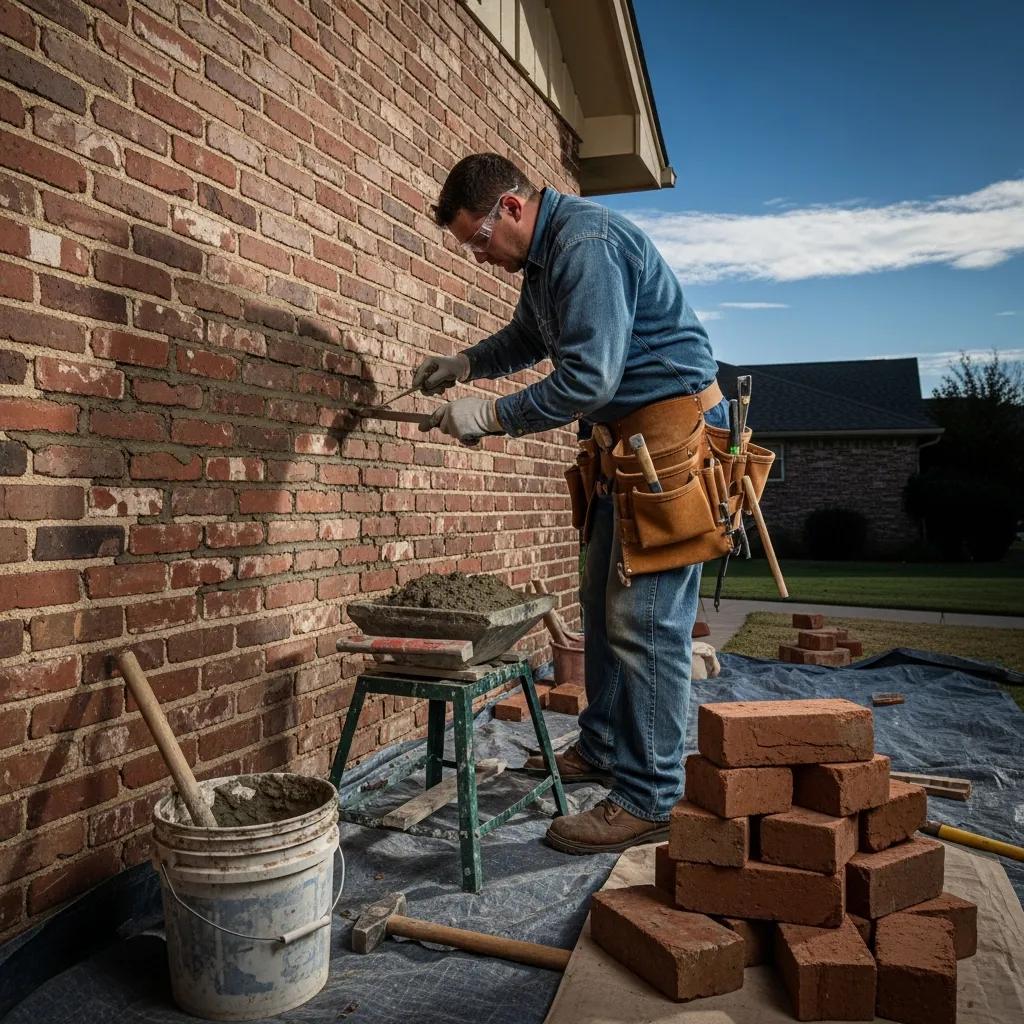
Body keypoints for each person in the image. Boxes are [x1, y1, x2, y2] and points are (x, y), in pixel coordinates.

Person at [412, 153, 729, 854]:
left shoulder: (586, 245)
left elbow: (587, 378)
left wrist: (491, 416)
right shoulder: (547, 258)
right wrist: (465, 363)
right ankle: (608, 747)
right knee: (599, 603)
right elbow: (530, 339)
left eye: (478, 240)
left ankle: (650, 798)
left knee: (645, 621)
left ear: (513, 209)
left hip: (670, 441)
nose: (478, 256)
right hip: (627, 446)